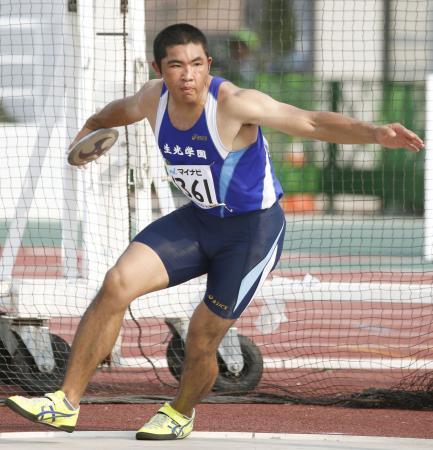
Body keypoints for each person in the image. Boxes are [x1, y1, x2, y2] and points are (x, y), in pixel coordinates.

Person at [5, 23, 424, 440]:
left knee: (202, 336)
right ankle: (64, 403)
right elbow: (116, 112)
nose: (187, 75)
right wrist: (89, 130)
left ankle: (180, 411)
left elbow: (311, 122)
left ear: (208, 65)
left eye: (196, 64)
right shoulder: (154, 98)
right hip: (199, 219)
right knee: (116, 284)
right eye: (176, 65)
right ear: (159, 68)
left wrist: (375, 133)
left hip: (251, 233)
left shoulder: (236, 103)